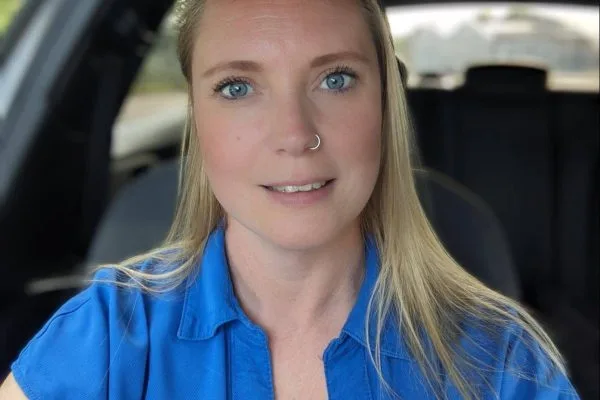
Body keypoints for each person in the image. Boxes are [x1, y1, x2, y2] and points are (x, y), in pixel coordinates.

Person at [0, 0, 579, 399]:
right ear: (197, 116)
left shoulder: (503, 362)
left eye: (335, 80)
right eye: (237, 87)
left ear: (385, 104)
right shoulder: (105, 338)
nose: (295, 135)